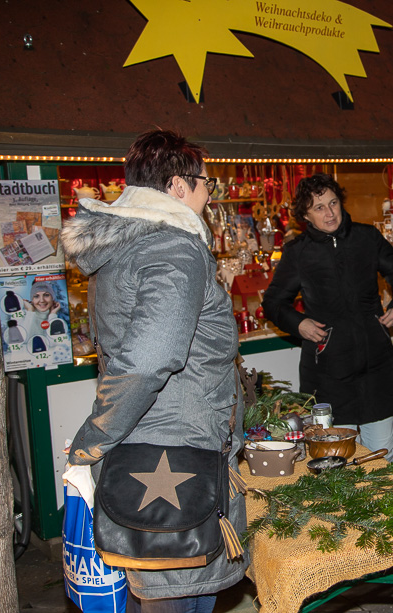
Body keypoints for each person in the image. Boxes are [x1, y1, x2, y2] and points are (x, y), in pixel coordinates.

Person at [61, 129, 248, 613]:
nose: (210, 196)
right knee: (174, 593)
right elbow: (149, 358)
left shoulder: (136, 244)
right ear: (179, 187)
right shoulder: (173, 248)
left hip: (161, 447)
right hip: (175, 457)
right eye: (207, 184)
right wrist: (96, 436)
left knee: (175, 590)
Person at [262, 174, 393, 461]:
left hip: (376, 369)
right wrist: (299, 324)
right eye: (319, 207)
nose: (330, 213)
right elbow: (273, 303)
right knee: (335, 462)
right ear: (305, 215)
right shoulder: (297, 252)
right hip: (327, 373)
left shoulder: (367, 238)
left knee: (380, 457)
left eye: (333, 203)